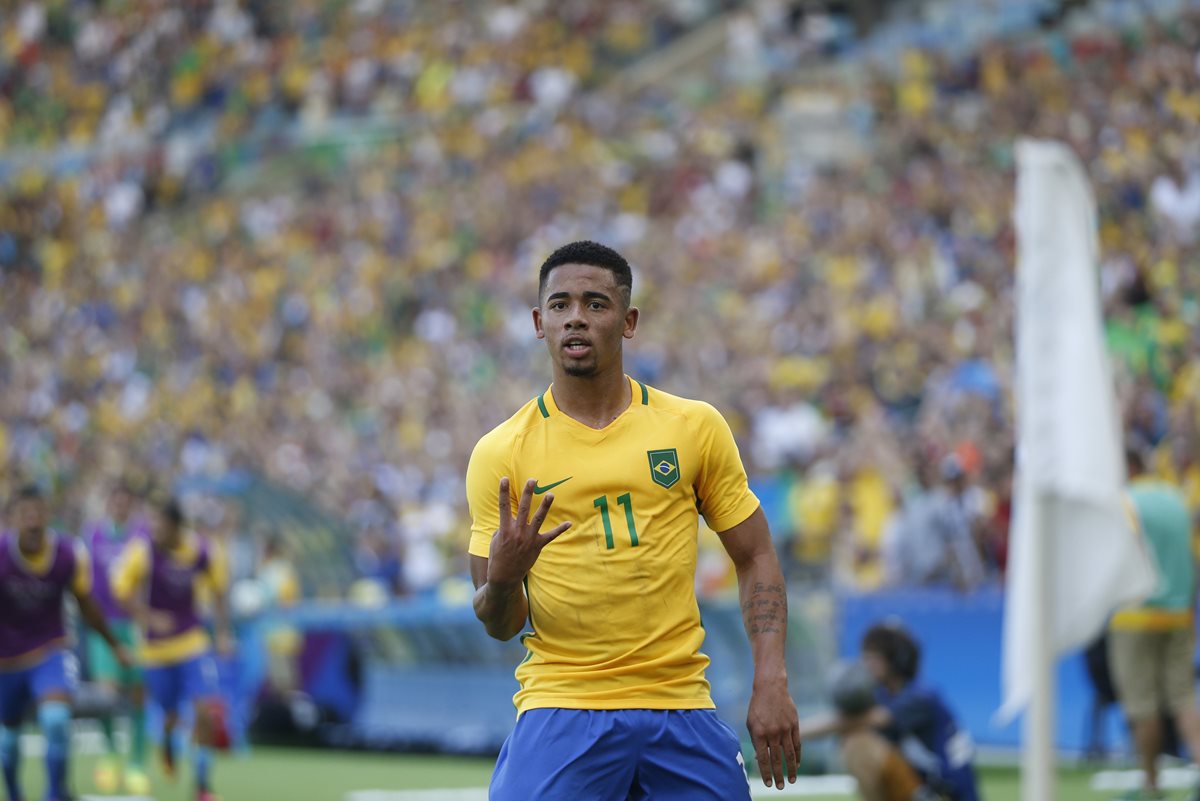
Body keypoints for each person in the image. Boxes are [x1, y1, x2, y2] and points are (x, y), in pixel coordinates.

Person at [465, 240, 801, 800]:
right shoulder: (502, 453)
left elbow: (756, 554)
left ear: (628, 321)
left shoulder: (692, 427)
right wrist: (502, 578)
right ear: (537, 322)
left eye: (596, 303)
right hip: (565, 703)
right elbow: (498, 622)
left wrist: (771, 677)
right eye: (560, 304)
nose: (576, 316)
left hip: (680, 703)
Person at [0, 484, 132, 801]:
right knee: (7, 741)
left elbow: (87, 605)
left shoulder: (67, 554)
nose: (32, 521)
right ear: (12, 519)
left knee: (56, 721)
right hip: (7, 660)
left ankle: (55, 793)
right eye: (24, 514)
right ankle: (15, 793)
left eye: (38, 513)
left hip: (50, 651)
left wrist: (114, 644)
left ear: (48, 516)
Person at [111, 497, 233, 801]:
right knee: (169, 717)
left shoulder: (203, 551)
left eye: (160, 524)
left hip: (192, 643)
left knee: (205, 711)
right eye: (152, 523)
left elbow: (219, 591)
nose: (154, 530)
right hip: (154, 650)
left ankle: (202, 786)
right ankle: (167, 742)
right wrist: (148, 617)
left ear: (177, 526)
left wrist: (222, 633)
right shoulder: (142, 552)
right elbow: (120, 592)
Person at [1107, 446, 1200, 801]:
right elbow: (1192, 557)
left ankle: (1150, 785)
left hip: (1135, 615)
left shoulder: (1125, 502)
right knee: (1183, 699)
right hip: (1179, 613)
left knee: (1142, 706)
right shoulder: (1176, 499)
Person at [798, 622, 979, 801]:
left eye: (872, 658)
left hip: (945, 792)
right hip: (925, 783)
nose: (865, 665)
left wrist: (796, 732)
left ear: (896, 659)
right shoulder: (885, 696)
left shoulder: (920, 697)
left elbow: (856, 721)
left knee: (859, 745)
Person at [84, 481, 151, 794]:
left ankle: (137, 762)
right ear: (109, 503)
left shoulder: (143, 537)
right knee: (106, 695)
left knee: (138, 695)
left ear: (132, 505)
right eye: (117, 501)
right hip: (104, 625)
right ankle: (111, 755)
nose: (121, 506)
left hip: (135, 625)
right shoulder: (92, 534)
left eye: (127, 501)